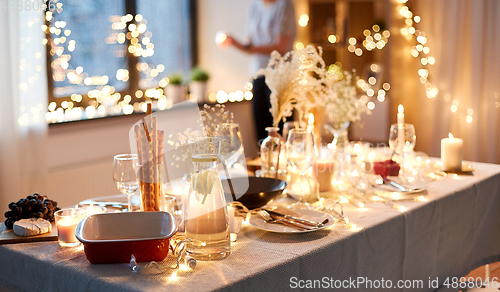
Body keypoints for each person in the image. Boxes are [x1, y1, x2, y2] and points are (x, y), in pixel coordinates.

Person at [221, 0, 297, 142]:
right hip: (258, 74)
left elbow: (281, 47)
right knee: (261, 132)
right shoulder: (255, 7)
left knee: (281, 130)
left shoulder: (284, 5)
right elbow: (250, 46)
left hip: (280, 76)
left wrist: (246, 47)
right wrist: (233, 42)